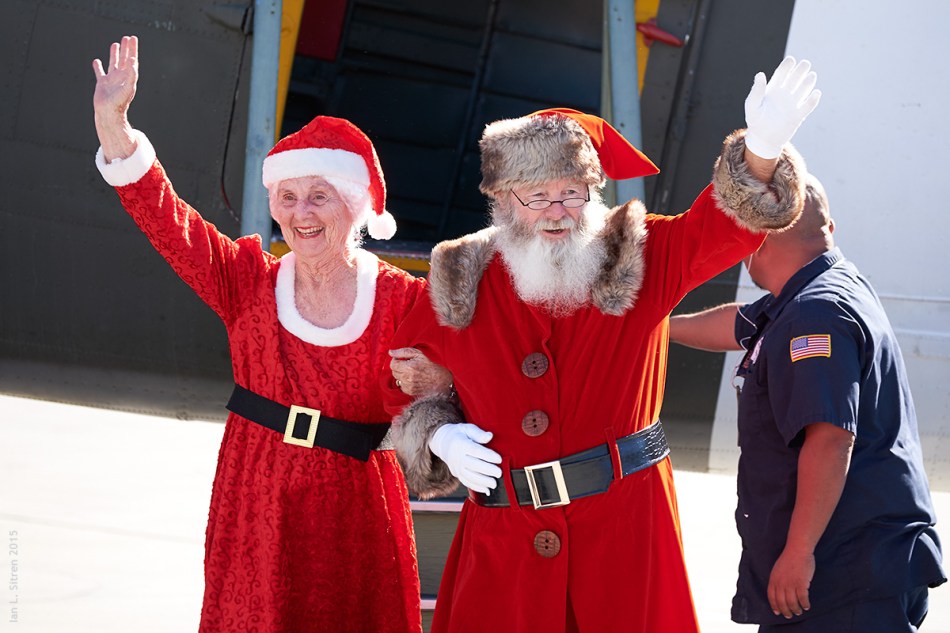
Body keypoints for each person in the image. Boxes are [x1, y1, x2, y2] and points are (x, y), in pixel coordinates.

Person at [383, 57, 821, 632]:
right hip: (505, 545)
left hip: (623, 534)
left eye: (570, 192)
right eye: (535, 195)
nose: (555, 211)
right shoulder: (458, 276)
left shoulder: (637, 255)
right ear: (504, 200)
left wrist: (760, 151)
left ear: (593, 191)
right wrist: (436, 432)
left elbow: (720, 228)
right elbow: (392, 377)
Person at [91, 35, 449, 632]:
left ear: (355, 207)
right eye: (288, 197)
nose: (302, 213)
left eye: (320, 196)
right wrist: (114, 124)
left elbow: (475, 366)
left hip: (353, 509)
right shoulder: (247, 281)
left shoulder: (403, 299)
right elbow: (165, 218)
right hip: (253, 494)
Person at [669, 176, 946, 631]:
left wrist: (798, 554)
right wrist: (652, 331)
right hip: (861, 564)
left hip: (841, 576)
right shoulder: (820, 289)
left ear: (754, 239)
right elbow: (740, 325)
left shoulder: (813, 316)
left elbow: (831, 439)